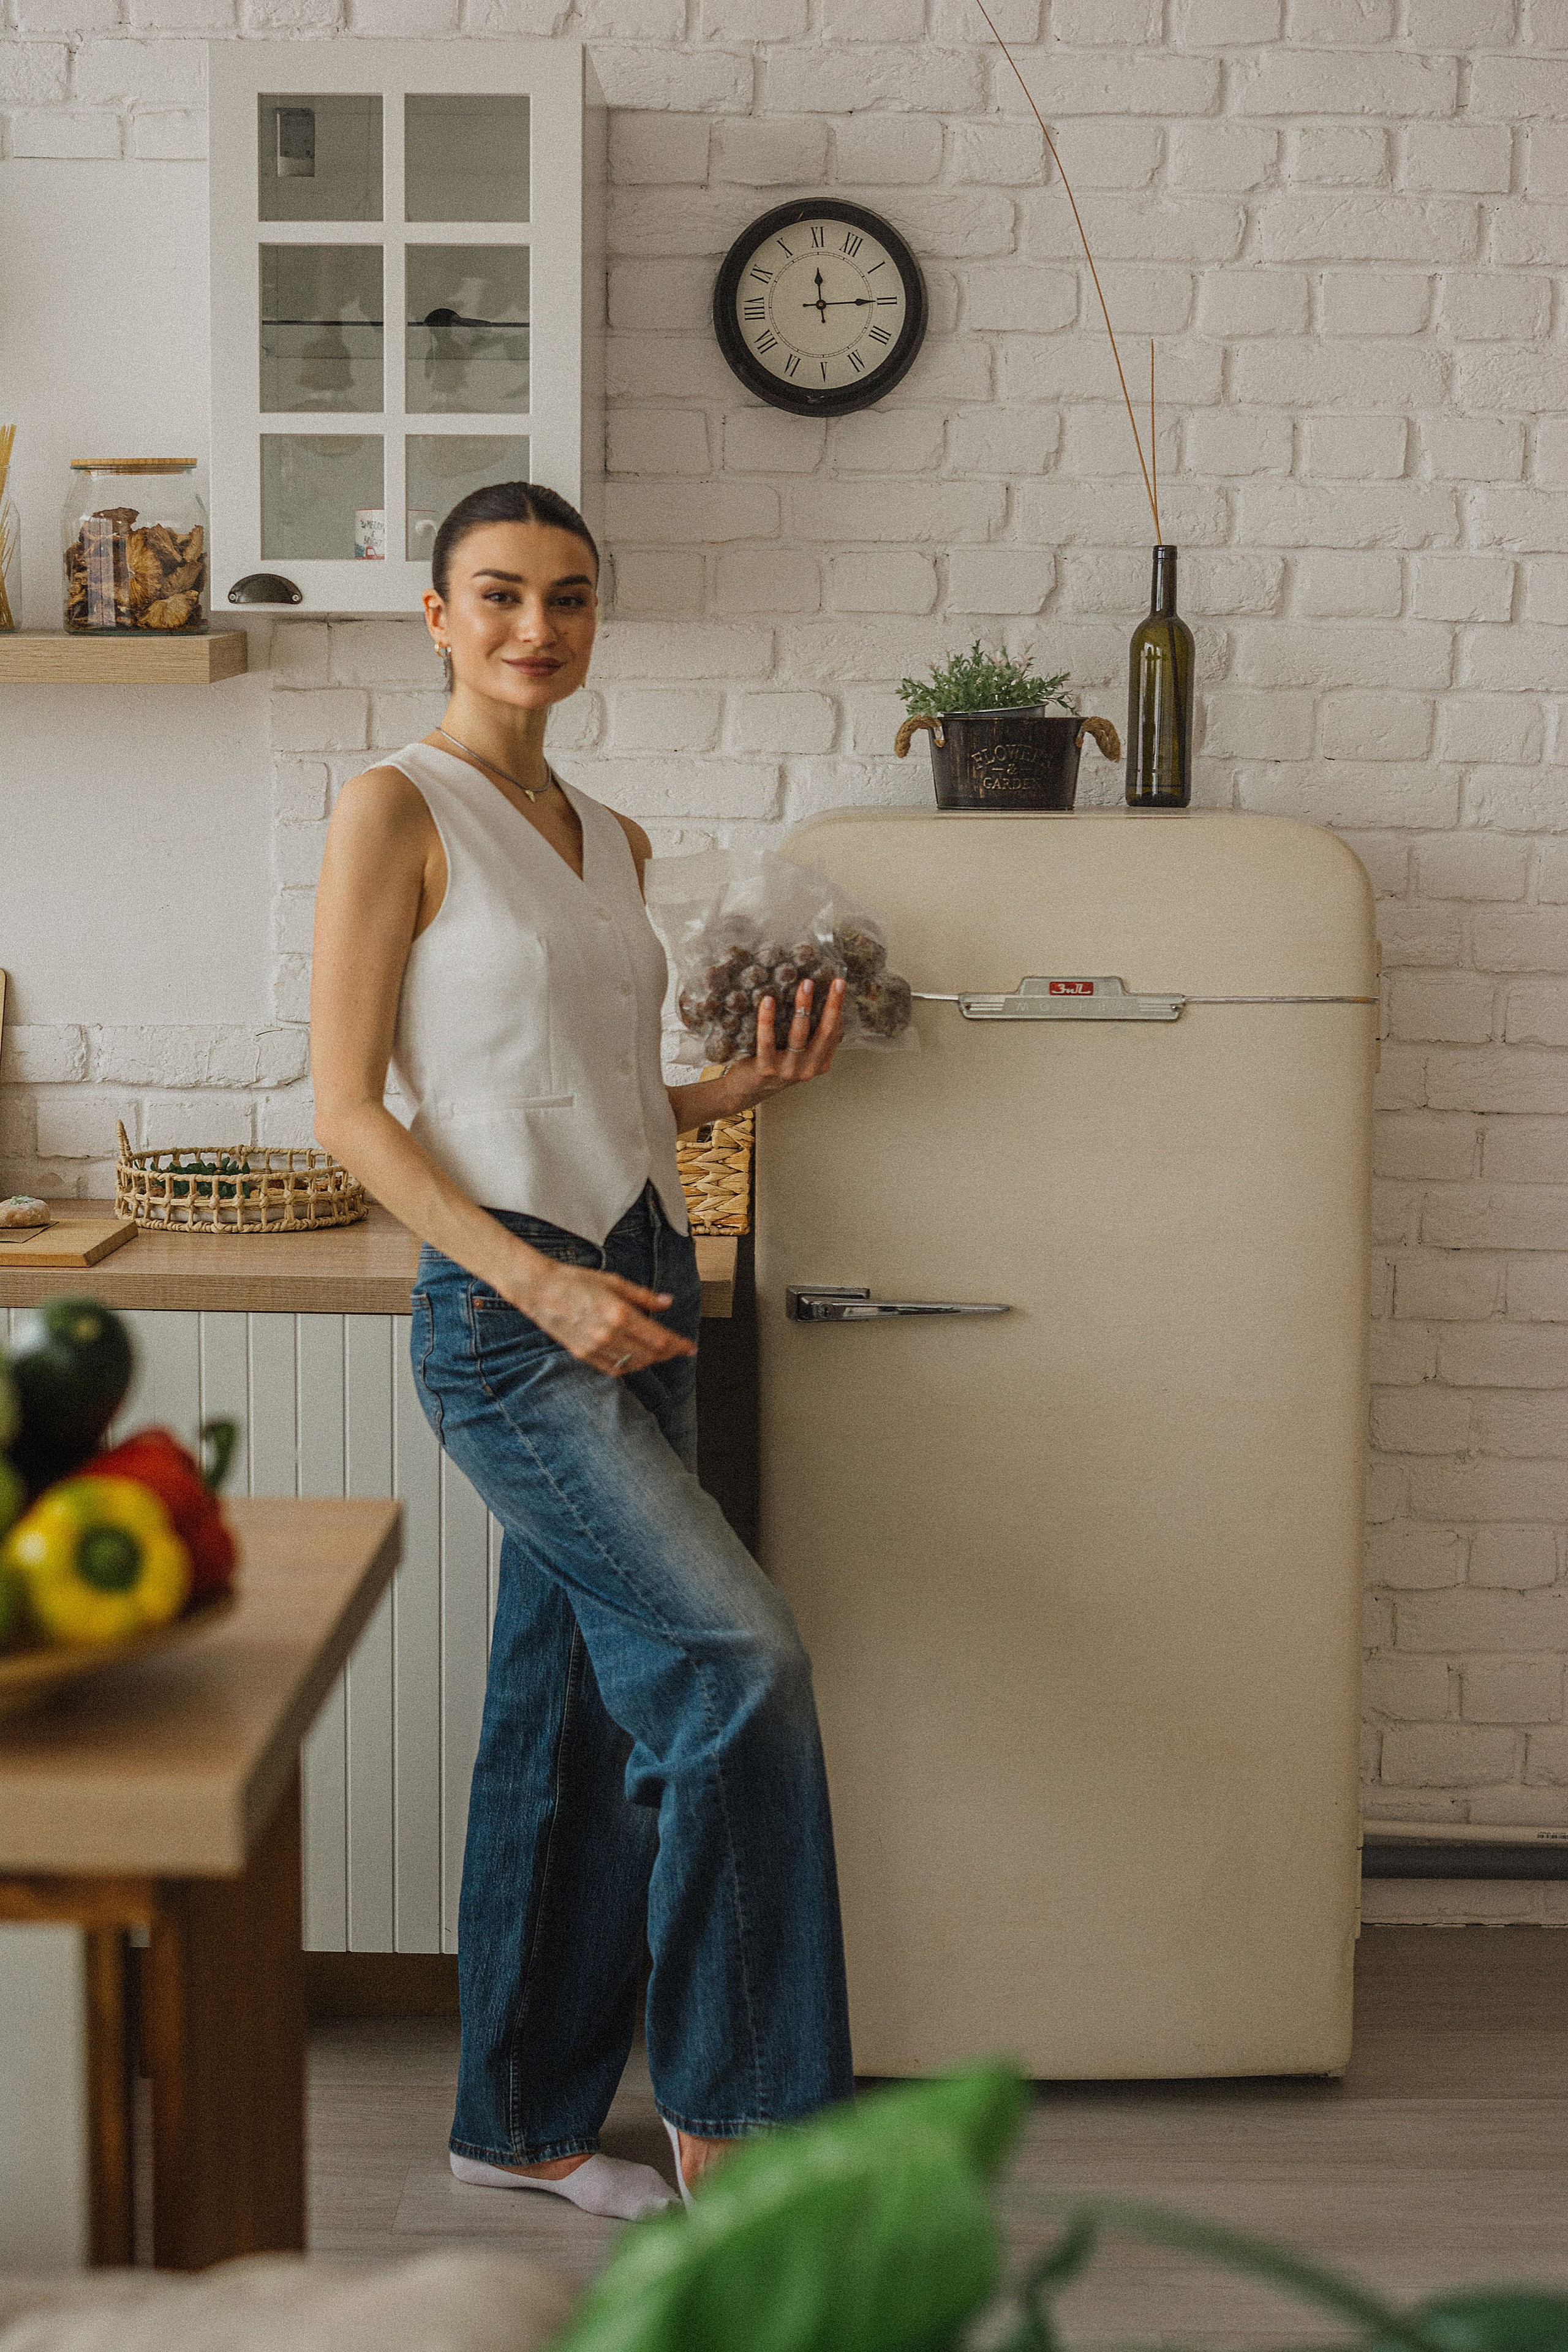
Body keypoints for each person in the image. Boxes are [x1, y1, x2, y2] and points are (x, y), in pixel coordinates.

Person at [309, 480, 854, 2219]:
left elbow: (602, 1094)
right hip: (513, 1315)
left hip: (645, 1280)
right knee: (739, 1666)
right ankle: (738, 2112)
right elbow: (350, 1112)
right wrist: (532, 1289)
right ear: (437, 614)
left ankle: (523, 2125)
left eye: (568, 598)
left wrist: (734, 1093)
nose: (536, 627)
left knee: (566, 1723)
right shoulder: (394, 808)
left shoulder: (610, 839)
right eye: (498, 594)